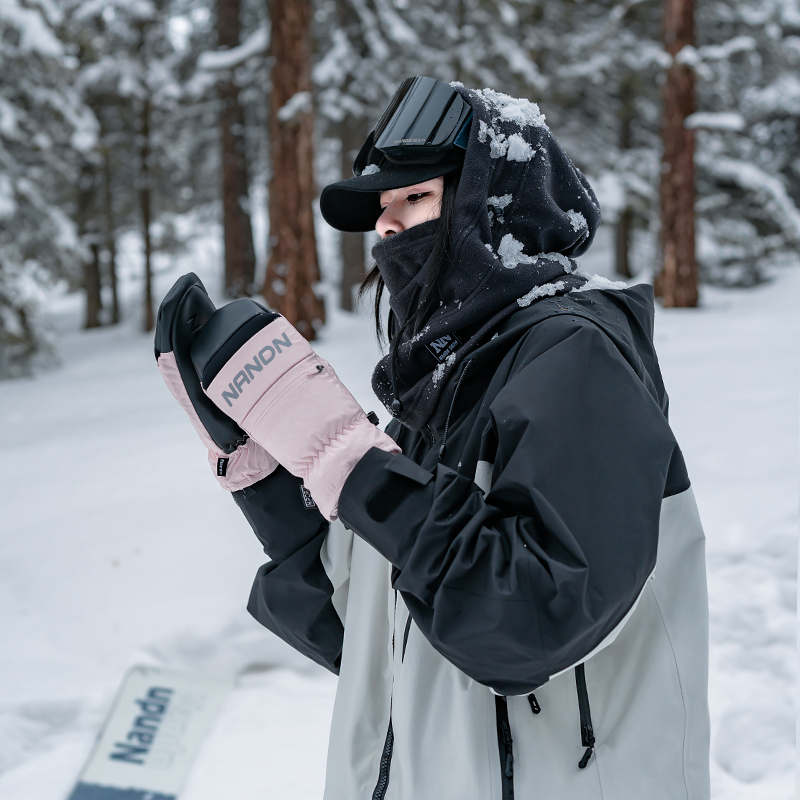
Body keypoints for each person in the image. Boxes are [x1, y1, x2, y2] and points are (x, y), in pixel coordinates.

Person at [155, 77, 710, 800]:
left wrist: (344, 456)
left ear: (496, 204)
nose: (387, 229)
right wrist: (262, 472)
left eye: (413, 199)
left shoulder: (574, 359)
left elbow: (529, 624)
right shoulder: (443, 385)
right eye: (381, 211)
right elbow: (373, 632)